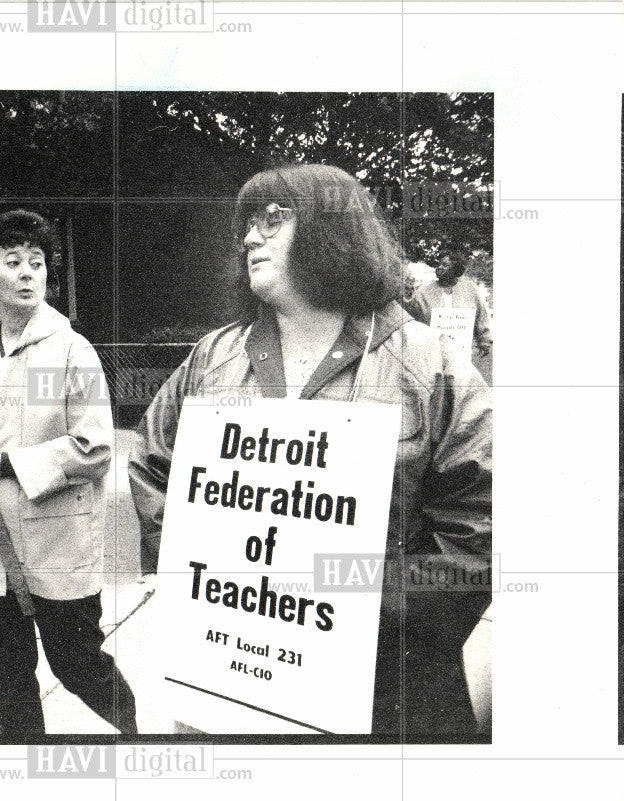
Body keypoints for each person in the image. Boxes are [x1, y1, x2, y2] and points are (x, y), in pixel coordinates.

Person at [128, 164, 492, 742]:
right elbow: (151, 467)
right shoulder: (213, 356)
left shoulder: (430, 362)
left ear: (332, 230)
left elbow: (483, 523)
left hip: (389, 696)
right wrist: (206, 573)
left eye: (273, 219)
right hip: (232, 685)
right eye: (247, 222)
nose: (250, 236)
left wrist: (366, 607)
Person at [0, 209, 138, 739]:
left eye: (37, 263)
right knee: (8, 677)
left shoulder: (71, 350)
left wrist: (1, 465)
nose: (28, 273)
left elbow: (95, 448)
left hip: (56, 545)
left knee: (77, 667)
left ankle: (141, 741)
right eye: (13, 262)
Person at [404, 255, 493, 358]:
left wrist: (485, 341)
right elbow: (410, 317)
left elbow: (481, 316)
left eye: (445, 265)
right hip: (431, 353)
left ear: (456, 270)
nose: (439, 267)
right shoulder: (423, 292)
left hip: (462, 352)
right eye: (439, 264)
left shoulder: (470, 289)